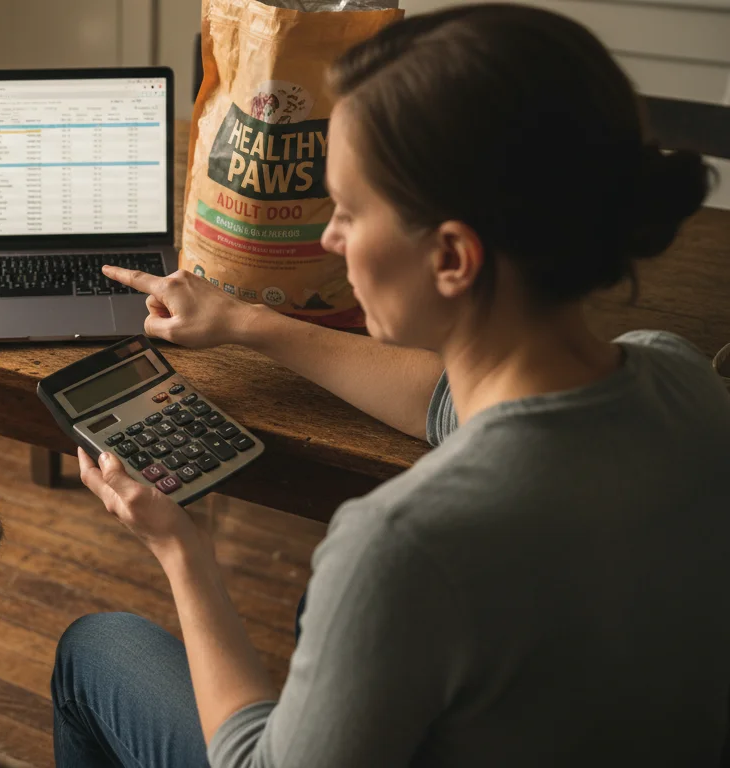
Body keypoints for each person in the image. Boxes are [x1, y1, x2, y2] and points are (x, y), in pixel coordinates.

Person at [50, 4, 730, 767]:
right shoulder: (681, 380)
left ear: (451, 258)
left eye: (346, 211)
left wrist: (181, 549)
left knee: (94, 651)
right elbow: (447, 400)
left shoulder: (403, 547)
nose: (328, 239)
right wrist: (246, 322)